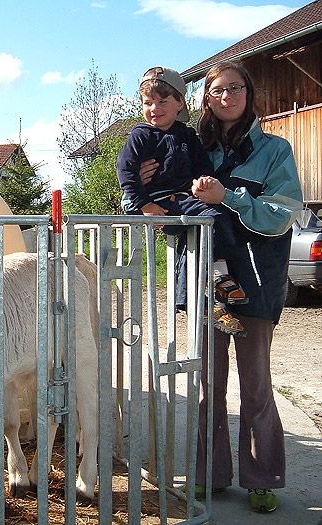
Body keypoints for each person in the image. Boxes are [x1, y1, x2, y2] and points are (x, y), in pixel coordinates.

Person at [142, 61, 302, 512]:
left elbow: (282, 214)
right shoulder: (190, 146)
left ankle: (261, 478)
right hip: (201, 283)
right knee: (206, 385)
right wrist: (147, 188)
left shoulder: (274, 150)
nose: (227, 95)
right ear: (205, 98)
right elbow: (160, 202)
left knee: (255, 386)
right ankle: (209, 475)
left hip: (254, 281)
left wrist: (227, 197)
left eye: (235, 88)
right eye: (217, 89)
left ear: (248, 95)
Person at [118, 66, 248, 336]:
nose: (154, 108)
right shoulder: (140, 135)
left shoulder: (187, 136)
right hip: (157, 204)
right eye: (148, 102)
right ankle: (204, 289)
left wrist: (206, 182)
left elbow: (202, 168)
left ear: (180, 103)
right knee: (201, 224)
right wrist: (145, 205)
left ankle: (214, 280)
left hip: (184, 200)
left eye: (162, 101)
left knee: (215, 218)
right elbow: (126, 173)